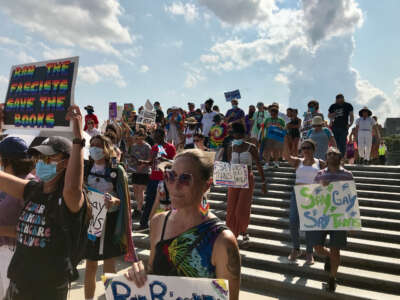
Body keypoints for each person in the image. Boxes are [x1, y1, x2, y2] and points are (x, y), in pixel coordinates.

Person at [126, 149, 241, 300]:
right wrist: (139, 275)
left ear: (206, 185)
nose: (175, 186)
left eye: (185, 179)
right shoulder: (158, 222)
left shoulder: (222, 241)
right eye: (171, 176)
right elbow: (154, 272)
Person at [0, 105, 86, 300]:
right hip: (17, 284)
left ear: (65, 162)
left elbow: (73, 187)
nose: (40, 161)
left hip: (46, 290)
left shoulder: (68, 199)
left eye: (48, 157)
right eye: (39, 156)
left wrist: (78, 138)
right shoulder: (32, 189)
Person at [84, 135, 134, 300]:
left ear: (106, 148)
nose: (94, 148)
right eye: (92, 145)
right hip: (91, 220)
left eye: (98, 145)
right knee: (90, 264)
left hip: (110, 221)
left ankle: (110, 297)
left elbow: (123, 200)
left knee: (109, 262)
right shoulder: (86, 167)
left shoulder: (116, 170)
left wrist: (114, 200)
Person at [309, 147, 354, 292]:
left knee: (336, 250)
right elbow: (312, 195)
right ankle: (328, 256)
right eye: (329, 154)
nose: (332, 156)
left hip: (339, 215)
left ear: (339, 157)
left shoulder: (347, 174)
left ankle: (332, 278)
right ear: (326, 158)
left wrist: (351, 220)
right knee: (317, 247)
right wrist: (321, 188)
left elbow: (351, 197)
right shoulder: (320, 174)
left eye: (335, 154)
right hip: (322, 215)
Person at [0, 137, 35, 298]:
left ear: (8, 159)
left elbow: (31, 228)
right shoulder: (6, 180)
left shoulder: (29, 186)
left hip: (14, 253)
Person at [283, 137, 326, 265]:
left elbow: (335, 168)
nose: (305, 150)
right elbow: (286, 155)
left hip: (312, 194)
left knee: (309, 225)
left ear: (314, 149)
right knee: (293, 221)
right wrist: (286, 138)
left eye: (308, 148)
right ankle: (296, 249)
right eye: (303, 148)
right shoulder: (298, 162)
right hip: (297, 193)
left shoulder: (320, 163)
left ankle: (309, 253)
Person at [226, 123, 266, 244]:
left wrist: (264, 181)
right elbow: (228, 163)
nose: (235, 136)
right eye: (233, 134)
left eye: (237, 134)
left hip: (247, 177)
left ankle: (244, 231)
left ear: (243, 134)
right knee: (231, 207)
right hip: (233, 178)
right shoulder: (230, 146)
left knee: (242, 207)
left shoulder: (251, 147)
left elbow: (258, 164)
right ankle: (232, 233)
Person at [139, 129, 176, 231]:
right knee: (149, 202)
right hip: (153, 178)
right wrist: (143, 162)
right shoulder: (154, 147)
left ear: (163, 136)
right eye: (154, 137)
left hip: (164, 179)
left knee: (163, 203)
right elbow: (151, 162)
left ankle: (162, 225)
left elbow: (174, 162)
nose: (155, 139)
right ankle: (144, 223)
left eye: (157, 137)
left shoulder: (170, 147)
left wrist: (165, 160)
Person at [126, 128, 152, 217]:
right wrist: (130, 164)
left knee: (141, 190)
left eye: (138, 138)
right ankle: (138, 207)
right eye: (135, 138)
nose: (136, 140)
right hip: (135, 171)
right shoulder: (133, 146)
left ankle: (139, 209)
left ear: (143, 137)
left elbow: (150, 159)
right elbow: (131, 157)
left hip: (144, 172)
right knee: (136, 190)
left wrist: (143, 165)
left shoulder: (147, 146)